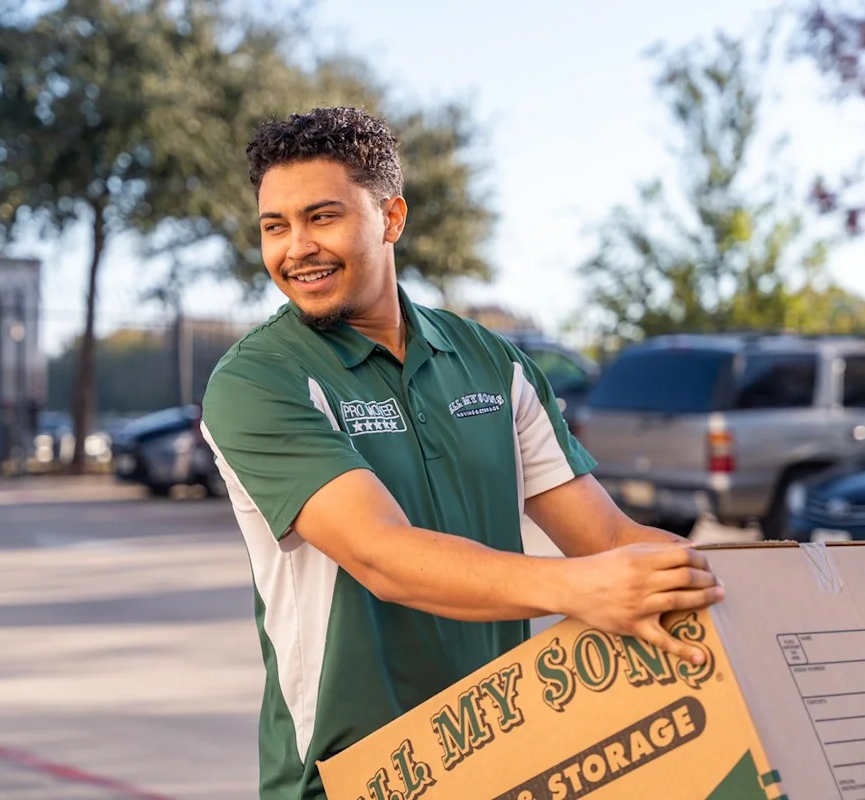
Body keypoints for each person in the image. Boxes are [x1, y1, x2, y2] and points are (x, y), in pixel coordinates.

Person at [200, 106, 724, 800]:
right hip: (350, 777)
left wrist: (761, 599)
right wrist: (581, 590)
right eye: (275, 227)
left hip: (504, 756)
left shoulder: (490, 362)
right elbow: (382, 555)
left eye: (321, 217)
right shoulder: (257, 380)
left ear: (391, 218)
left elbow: (609, 540)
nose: (295, 248)